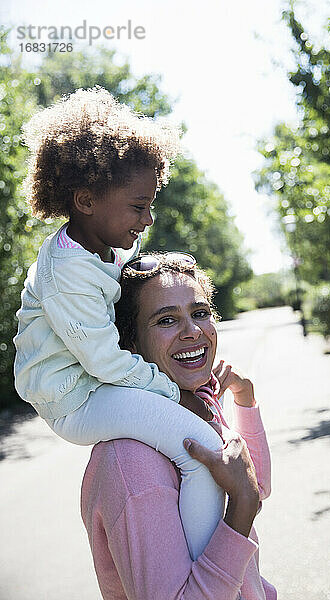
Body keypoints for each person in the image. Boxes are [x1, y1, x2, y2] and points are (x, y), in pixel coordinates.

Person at [13, 86, 227, 560]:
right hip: (77, 398)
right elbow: (106, 362)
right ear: (86, 200)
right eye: (137, 206)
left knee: (198, 444)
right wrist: (177, 393)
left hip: (95, 385)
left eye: (150, 204)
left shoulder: (99, 249)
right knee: (200, 448)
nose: (148, 218)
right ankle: (199, 574)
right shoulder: (68, 272)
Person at [81, 254, 277, 599]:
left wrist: (245, 401)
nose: (193, 331)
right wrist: (242, 504)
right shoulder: (131, 461)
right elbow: (247, 497)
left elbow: (252, 485)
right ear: (129, 345)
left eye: (200, 313)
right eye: (167, 320)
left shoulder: (193, 402)